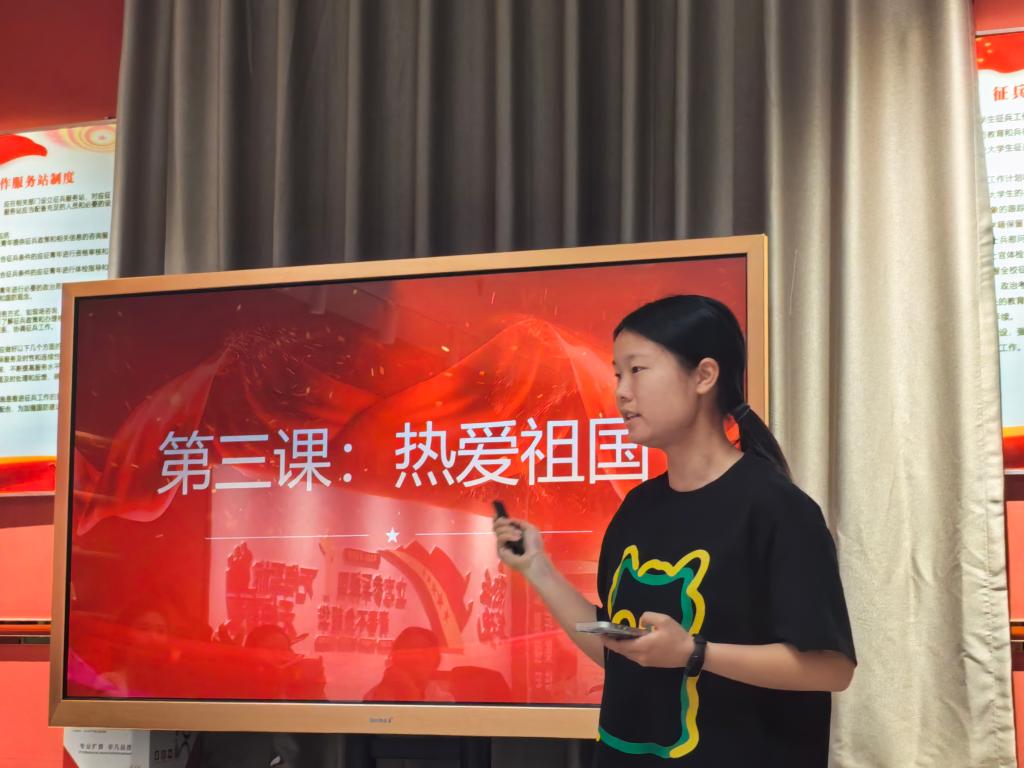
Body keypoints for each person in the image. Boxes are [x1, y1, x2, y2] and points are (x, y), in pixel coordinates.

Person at [493, 295, 856, 767]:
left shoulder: (777, 509)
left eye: (637, 370)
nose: (621, 392)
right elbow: (625, 657)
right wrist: (538, 568)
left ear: (704, 375)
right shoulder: (637, 509)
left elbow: (832, 668)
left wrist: (695, 652)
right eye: (617, 374)